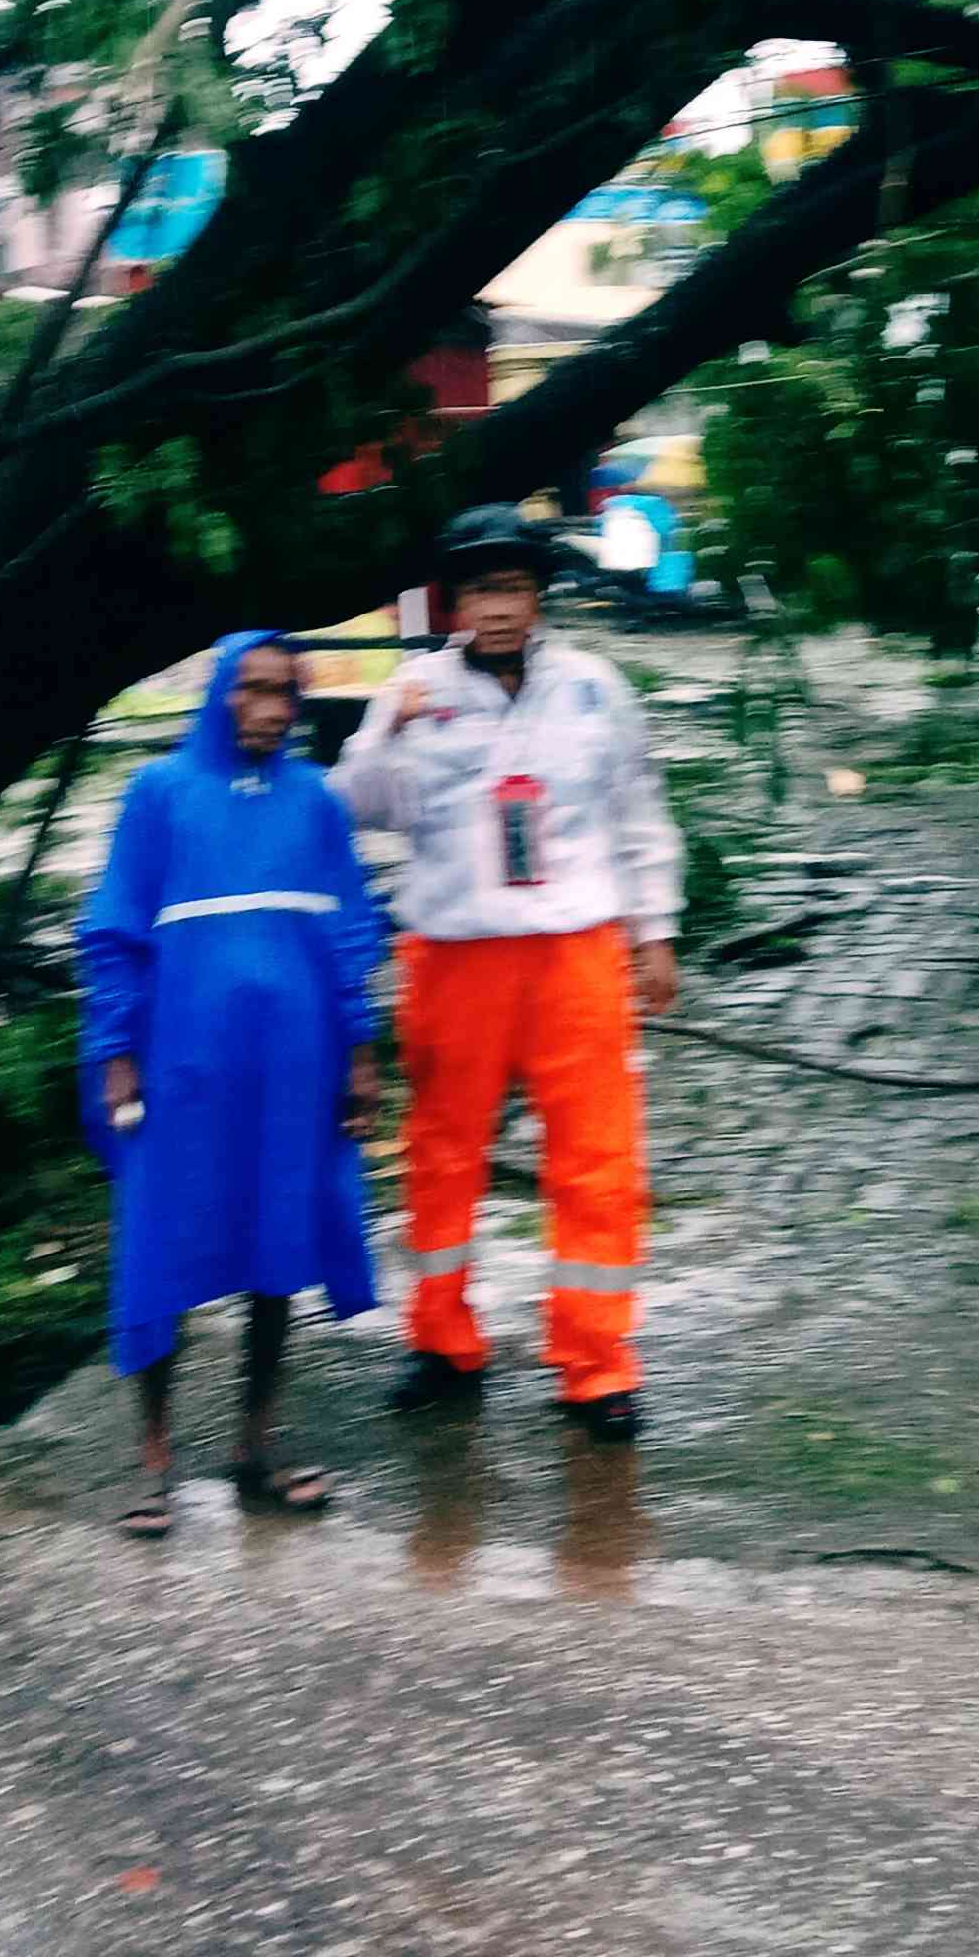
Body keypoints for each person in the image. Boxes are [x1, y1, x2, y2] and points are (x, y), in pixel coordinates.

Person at [332, 505, 686, 1440]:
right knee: (443, 1157)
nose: (498, 607)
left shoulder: (595, 690)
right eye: (482, 588)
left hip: (578, 952)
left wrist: (657, 931)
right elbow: (357, 807)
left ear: (539, 593)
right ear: (456, 598)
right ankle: (443, 1341)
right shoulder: (413, 691)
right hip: (454, 957)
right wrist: (385, 737)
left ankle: (598, 1365)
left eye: (515, 586)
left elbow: (638, 812)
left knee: (600, 1160)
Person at [77, 631, 386, 1538]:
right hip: (183, 1068)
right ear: (218, 695)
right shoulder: (160, 795)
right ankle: (154, 1462)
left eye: (286, 693)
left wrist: (362, 1052)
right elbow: (114, 935)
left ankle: (256, 1446)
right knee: (159, 1246)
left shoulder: (315, 802)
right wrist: (117, 1053)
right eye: (252, 691)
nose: (270, 710)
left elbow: (351, 935)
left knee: (276, 1247)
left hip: (294, 1068)